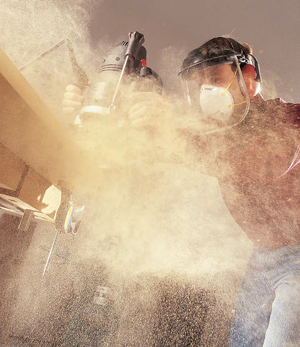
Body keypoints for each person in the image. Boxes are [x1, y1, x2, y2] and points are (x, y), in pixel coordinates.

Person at [63, 36, 300, 347]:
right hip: (262, 256)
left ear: (249, 78)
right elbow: (152, 151)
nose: (207, 93)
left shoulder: (290, 118)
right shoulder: (216, 133)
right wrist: (90, 113)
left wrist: (169, 131)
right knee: (243, 343)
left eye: (215, 79)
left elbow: (266, 161)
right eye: (200, 85)